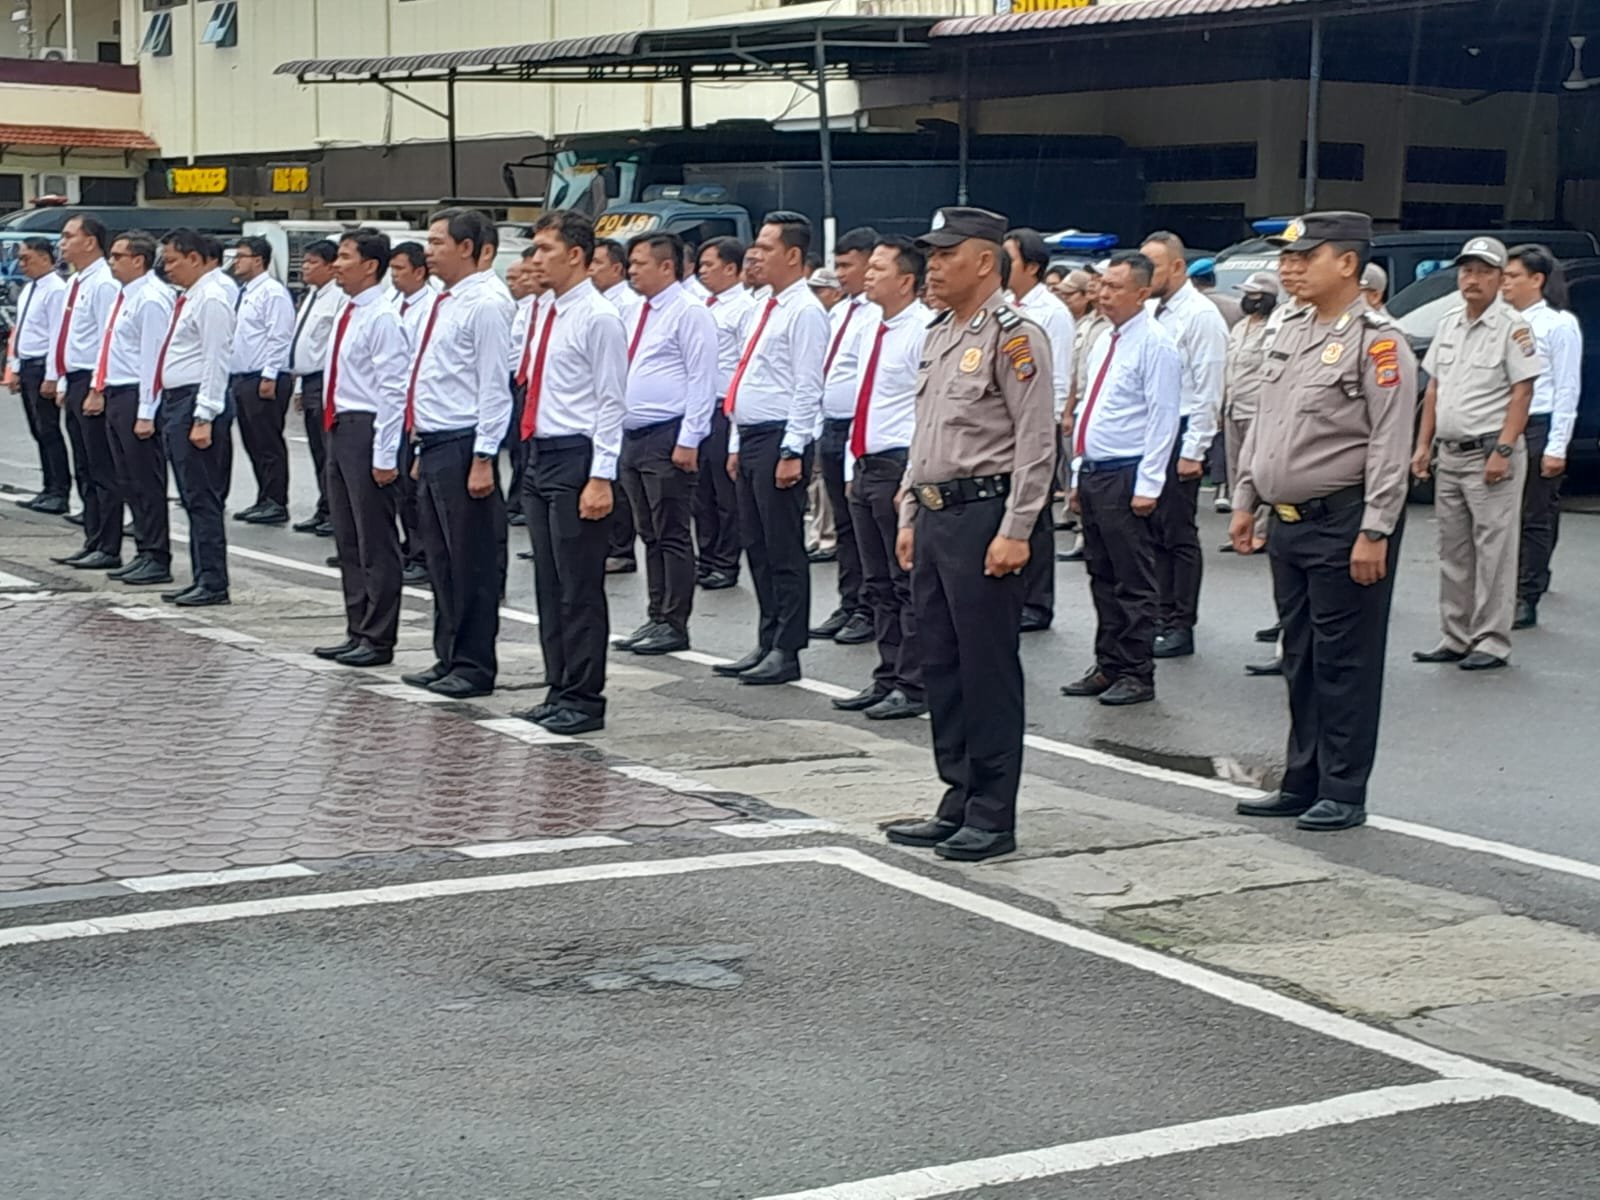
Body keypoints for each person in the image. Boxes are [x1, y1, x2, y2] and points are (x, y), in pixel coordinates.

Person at [1230, 211, 1417, 832]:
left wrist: (1376, 528)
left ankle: (1343, 787)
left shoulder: (1378, 341)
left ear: (1347, 263)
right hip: (1289, 521)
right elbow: (1266, 422)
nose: (1289, 268)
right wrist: (1247, 498)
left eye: (1304, 257)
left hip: (1344, 519)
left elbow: (1390, 442)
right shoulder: (1290, 328)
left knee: (1346, 663)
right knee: (1301, 656)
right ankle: (1302, 778)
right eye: (1286, 258)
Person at [881, 206, 1054, 864]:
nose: (932, 267)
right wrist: (909, 512)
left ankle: (992, 812)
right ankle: (957, 796)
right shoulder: (940, 333)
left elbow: (1036, 442)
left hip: (984, 517)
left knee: (986, 669)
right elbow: (925, 434)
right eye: (930, 255)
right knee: (942, 665)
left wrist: (1018, 528)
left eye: (945, 255)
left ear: (985, 261)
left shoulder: (1015, 336)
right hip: (934, 515)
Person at [512, 209, 627, 734]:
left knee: (579, 585)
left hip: (576, 456)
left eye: (546, 250)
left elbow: (610, 400)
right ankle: (557, 685)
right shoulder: (546, 311)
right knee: (549, 581)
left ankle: (584, 697)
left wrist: (600, 475)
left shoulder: (598, 317)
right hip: (540, 451)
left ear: (576, 255)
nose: (535, 259)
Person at [1411, 237, 1544, 672]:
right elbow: (1434, 389)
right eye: (1467, 271)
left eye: (1484, 272)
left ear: (1500, 279)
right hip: (1449, 454)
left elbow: (1522, 393)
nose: (1473, 279)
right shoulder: (1450, 323)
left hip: (1490, 455)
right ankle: (1456, 635)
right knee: (1453, 551)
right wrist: (1422, 445)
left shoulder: (1512, 327)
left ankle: (1491, 640)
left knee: (1493, 553)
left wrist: (1503, 449)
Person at [399, 207, 514, 699]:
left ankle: (473, 664)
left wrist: (484, 455)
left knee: (471, 561)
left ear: (467, 248)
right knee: (442, 559)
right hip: (435, 440)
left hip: (465, 442)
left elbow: (493, 385)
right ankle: (447, 653)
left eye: (437, 242)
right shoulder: (445, 300)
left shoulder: (486, 303)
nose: (429, 251)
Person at [710, 210, 828, 687]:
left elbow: (807, 384)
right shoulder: (763, 304)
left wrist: (792, 449)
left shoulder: (805, 310)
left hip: (781, 436)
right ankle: (766, 638)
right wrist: (736, 441)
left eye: (766, 246)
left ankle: (788, 647)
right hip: (751, 435)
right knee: (756, 544)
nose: (755, 253)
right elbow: (748, 374)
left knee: (783, 549)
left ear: (793, 255)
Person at [1059, 251, 1182, 708]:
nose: (1103, 295)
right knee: (1102, 574)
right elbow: (1091, 408)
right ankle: (1108, 663)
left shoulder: (1155, 343)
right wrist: (1077, 474)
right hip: (1096, 470)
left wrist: (1149, 485)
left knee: (1132, 579)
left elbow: (1163, 419)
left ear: (1142, 293)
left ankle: (1136, 671)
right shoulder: (1105, 340)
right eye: (1102, 286)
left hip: (1127, 473)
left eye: (1114, 288)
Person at [831, 235, 931, 721]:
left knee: (904, 579)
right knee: (877, 583)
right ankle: (887, 674)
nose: (867, 276)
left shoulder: (922, 330)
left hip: (898, 464)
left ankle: (913, 683)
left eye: (878, 269)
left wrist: (910, 480)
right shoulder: (871, 324)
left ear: (906, 281)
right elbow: (861, 401)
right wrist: (852, 465)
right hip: (866, 462)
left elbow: (923, 411)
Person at [611, 231, 717, 658]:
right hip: (633, 435)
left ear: (667, 266)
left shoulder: (689, 312)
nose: (632, 271)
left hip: (667, 435)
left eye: (640, 263)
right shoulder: (635, 310)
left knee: (671, 532)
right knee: (648, 532)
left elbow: (702, 378)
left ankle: (674, 621)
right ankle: (655, 614)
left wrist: (690, 438)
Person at [311, 229, 409, 668]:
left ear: (370, 266)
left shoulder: (382, 317)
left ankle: (378, 635)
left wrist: (385, 454)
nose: (337, 265)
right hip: (340, 425)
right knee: (348, 536)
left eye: (345, 257)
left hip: (367, 427)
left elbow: (392, 390)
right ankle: (357, 627)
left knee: (375, 539)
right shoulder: (347, 310)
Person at [1140, 231, 1227, 659]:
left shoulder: (1200, 315)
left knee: (1177, 533)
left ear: (1177, 267)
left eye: (1153, 267)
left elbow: (1209, 387)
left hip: (1183, 427)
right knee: (1151, 530)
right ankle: (1159, 613)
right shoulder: (1150, 310)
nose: (1144, 275)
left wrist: (1195, 449)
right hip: (1152, 429)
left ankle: (1180, 622)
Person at [155, 230, 237, 606]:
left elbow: (215, 359)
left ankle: (213, 582)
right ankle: (202, 575)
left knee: (202, 497)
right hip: (178, 400)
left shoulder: (212, 298)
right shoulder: (192, 295)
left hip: (195, 402)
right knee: (191, 496)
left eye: (172, 260)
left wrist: (204, 415)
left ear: (195, 258)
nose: (167, 268)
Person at [1503, 244, 1582, 630]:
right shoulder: (1502, 320)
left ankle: (1527, 594)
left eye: (1513, 276)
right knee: (1503, 514)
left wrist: (1557, 445)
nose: (1505, 283)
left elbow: (1567, 386)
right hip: (1504, 422)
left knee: (1534, 515)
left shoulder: (1557, 324)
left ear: (1536, 280)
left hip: (1539, 421)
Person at [811, 226, 881, 645]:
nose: (839, 274)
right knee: (844, 522)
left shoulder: (878, 315)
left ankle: (870, 607)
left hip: (861, 428)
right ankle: (850, 601)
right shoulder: (839, 312)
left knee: (864, 526)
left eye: (846, 265)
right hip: (832, 427)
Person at [94, 230, 176, 587]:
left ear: (138, 260)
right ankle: (143, 550)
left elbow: (151, 360)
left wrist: (146, 411)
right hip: (116, 391)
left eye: (118, 256)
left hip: (135, 394)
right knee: (127, 478)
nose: (111, 262)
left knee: (146, 480)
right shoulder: (126, 295)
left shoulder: (151, 298)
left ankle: (156, 555)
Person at [1005, 227, 1075, 633]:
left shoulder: (1050, 312)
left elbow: (1059, 373)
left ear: (1031, 267)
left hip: (1038, 422)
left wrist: (1050, 424)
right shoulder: (1005, 305)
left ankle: (1037, 601)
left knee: (1035, 515)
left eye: (1010, 259)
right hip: (1007, 426)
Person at [46, 215, 123, 569]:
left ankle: (108, 545)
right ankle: (93, 539)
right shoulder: (76, 281)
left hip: (93, 380)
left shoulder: (104, 283)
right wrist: (62, 380)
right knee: (85, 466)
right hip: (75, 379)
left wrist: (98, 387)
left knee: (102, 468)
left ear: (90, 241)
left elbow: (108, 339)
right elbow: (69, 336)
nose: (62, 243)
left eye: (68, 236)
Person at [693, 235, 752, 591]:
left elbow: (745, 362)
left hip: (724, 407)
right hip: (700, 407)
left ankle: (726, 562)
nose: (702, 271)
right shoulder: (703, 305)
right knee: (700, 492)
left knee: (724, 493)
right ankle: (706, 557)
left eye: (708, 265)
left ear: (731, 268)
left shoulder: (744, 308)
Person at [1218, 271, 1280, 553]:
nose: (1247, 299)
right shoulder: (1240, 327)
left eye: (1253, 295)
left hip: (1257, 409)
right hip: (1233, 407)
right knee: (1236, 471)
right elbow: (1228, 369)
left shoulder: (1274, 328)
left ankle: (1261, 531)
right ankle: (1240, 527)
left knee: (1257, 470)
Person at [592, 237, 642, 575]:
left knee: (619, 481)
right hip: (596, 402)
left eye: (598, 263)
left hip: (620, 398)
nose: (591, 270)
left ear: (616, 268)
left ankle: (622, 548)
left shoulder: (626, 304)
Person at [8, 237, 69, 515]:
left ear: (45, 258)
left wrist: (53, 375)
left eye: (26, 258)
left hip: (43, 364)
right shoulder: (30, 289)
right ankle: (48, 487)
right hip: (28, 363)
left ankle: (59, 490)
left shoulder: (55, 290)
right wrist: (15, 366)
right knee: (38, 430)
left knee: (48, 429)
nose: (22, 265)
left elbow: (57, 334)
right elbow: (21, 330)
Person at [388, 239, 436, 587]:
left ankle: (422, 554)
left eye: (399, 270)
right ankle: (409, 545)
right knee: (400, 486)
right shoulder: (395, 303)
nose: (394, 276)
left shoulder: (429, 307)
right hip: (395, 406)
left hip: (415, 406)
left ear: (419, 272)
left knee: (414, 488)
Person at [288, 240, 342, 538]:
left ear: (331, 266)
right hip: (308, 379)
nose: (305, 267)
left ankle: (335, 511)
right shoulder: (312, 295)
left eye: (312, 262)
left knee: (329, 450)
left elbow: (330, 349)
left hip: (324, 380)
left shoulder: (337, 297)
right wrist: (299, 386)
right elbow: (304, 342)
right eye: (305, 261)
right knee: (317, 450)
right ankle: (324, 506)